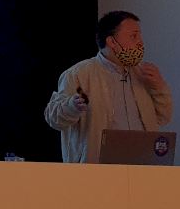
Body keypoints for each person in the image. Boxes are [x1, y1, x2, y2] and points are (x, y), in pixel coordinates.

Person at [44, 11, 173, 163]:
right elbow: (53, 118)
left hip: (143, 165)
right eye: (133, 36)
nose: (140, 43)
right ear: (112, 42)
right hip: (96, 169)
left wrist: (159, 87)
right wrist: (72, 106)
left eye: (140, 36)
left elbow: (164, 117)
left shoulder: (143, 73)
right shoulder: (79, 74)